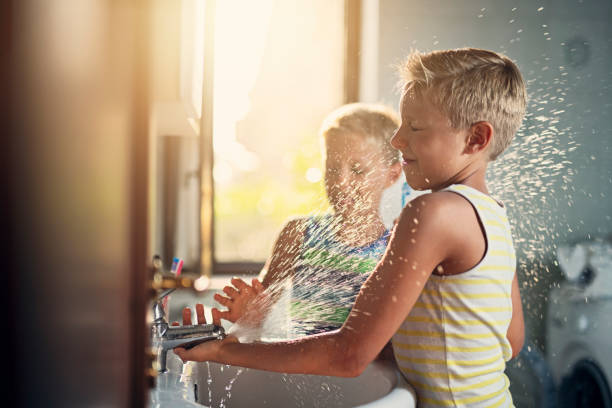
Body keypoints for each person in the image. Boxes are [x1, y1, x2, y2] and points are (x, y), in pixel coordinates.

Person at [175, 48, 526, 408]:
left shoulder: (431, 213)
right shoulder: (492, 214)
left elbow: (348, 356)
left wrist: (225, 350)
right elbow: (511, 341)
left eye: (415, 127)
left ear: (476, 139)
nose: (397, 139)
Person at [211, 103, 403, 339]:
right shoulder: (299, 234)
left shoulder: (394, 249)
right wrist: (248, 314)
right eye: (332, 168)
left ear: (392, 175)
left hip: (362, 374)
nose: (341, 182)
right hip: (301, 371)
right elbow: (258, 309)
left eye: (357, 170)